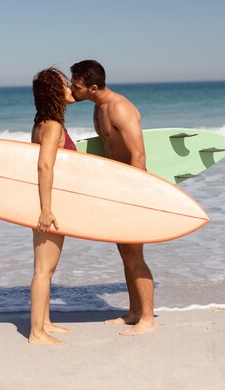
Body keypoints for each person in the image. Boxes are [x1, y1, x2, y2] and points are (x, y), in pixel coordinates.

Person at [70, 60, 156, 336]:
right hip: (117, 187)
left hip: (132, 189)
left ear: (93, 88)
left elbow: (139, 154)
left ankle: (148, 320)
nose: (73, 89)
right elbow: (69, 98)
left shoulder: (120, 107)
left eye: (77, 85)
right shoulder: (97, 104)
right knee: (124, 252)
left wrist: (133, 196)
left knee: (135, 254)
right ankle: (134, 312)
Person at [29, 67, 77, 345]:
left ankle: (45, 322)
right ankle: (36, 333)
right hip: (50, 206)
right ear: (55, 92)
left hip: (52, 203)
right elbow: (44, 166)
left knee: (46, 268)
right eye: (66, 85)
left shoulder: (42, 123)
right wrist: (46, 209)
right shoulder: (53, 126)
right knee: (43, 270)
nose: (71, 90)